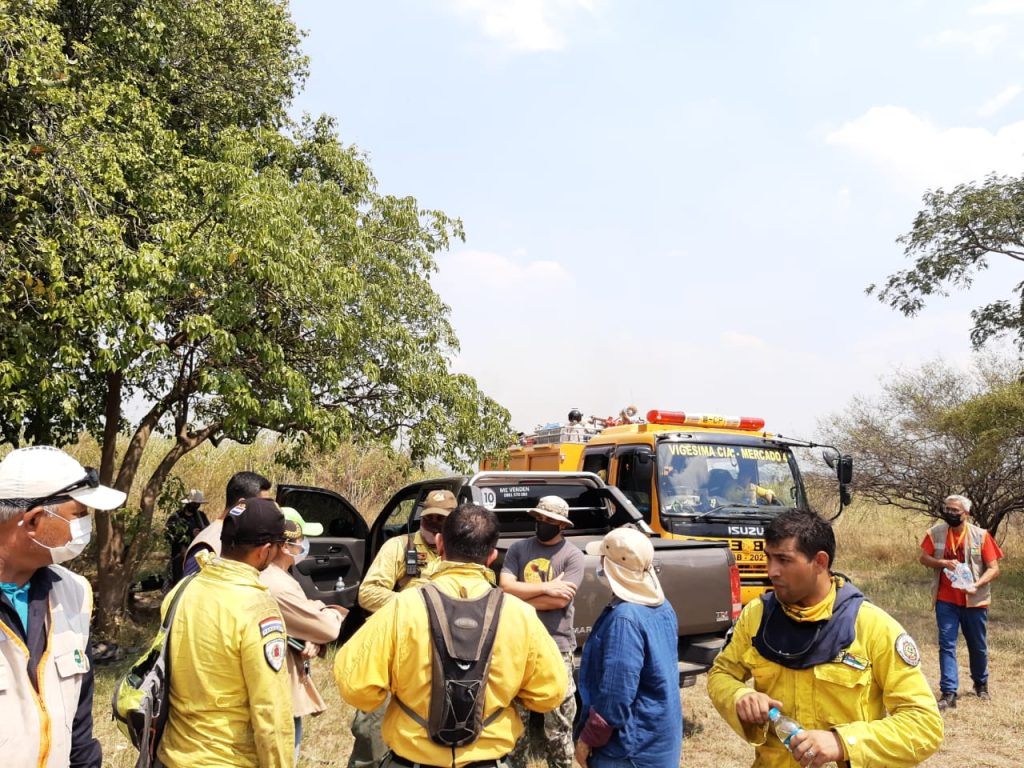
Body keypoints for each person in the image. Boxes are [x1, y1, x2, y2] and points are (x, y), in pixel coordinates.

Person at [335, 503, 567, 768]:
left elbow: (355, 687)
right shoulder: (520, 614)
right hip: (489, 761)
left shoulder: (402, 607)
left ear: (440, 544)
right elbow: (550, 693)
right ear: (492, 556)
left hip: (412, 760)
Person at [707, 509, 943, 768]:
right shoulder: (756, 616)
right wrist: (740, 695)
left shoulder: (872, 626)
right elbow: (721, 674)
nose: (771, 571)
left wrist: (843, 743)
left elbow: (924, 724)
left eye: (784, 560)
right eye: (769, 557)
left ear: (820, 561)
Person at [0, 446, 126, 768]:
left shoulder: (74, 593)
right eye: (79, 514)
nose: (86, 526)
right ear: (33, 520)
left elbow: (79, 729)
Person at [158, 497, 294, 768]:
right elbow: (271, 710)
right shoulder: (258, 610)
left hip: (172, 754)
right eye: (279, 546)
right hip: (226, 759)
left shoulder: (184, 589)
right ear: (264, 551)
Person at [346, 487, 458, 768]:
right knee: (370, 731)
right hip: (394, 647)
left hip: (438, 657)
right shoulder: (399, 546)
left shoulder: (460, 554)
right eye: (430, 517)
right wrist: (416, 604)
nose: (434, 523)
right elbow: (368, 594)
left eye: (442, 519)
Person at [574, 527, 681, 768]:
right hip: (659, 739)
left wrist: (588, 739)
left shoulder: (625, 619)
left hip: (629, 751)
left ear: (611, 567)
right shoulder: (663, 607)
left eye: (603, 559)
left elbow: (616, 695)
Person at [499, 495, 584, 768]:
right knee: (515, 721)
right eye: (540, 518)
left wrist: (520, 595)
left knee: (558, 722)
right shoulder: (518, 549)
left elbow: (560, 601)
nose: (543, 523)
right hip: (518, 645)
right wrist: (547, 587)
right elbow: (505, 587)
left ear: (562, 525)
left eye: (550, 520)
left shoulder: (572, 556)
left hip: (557, 646)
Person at [260, 508, 347, 764]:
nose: (304, 545)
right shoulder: (277, 584)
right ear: (286, 546)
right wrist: (328, 613)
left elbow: (304, 616)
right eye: (300, 540)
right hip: (281, 689)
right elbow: (328, 627)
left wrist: (310, 632)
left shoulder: (279, 577)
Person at [919, 494, 1003, 710]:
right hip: (946, 600)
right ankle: (949, 692)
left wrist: (977, 585)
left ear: (966, 513)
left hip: (974, 601)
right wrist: (942, 562)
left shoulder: (981, 536)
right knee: (946, 645)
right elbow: (923, 558)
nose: (950, 514)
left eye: (955, 511)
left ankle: (981, 683)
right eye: (947, 509)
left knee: (977, 646)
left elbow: (994, 568)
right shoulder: (936, 532)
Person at [182, 470, 272, 576]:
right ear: (241, 504)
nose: (265, 511)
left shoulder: (236, 536)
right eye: (262, 506)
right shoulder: (208, 544)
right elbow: (191, 584)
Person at [165, 488, 210, 585]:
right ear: (188, 503)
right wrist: (189, 535)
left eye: (198, 504)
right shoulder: (176, 517)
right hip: (179, 557)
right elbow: (169, 536)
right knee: (179, 582)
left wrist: (201, 534)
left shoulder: (201, 516)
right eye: (194, 503)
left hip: (198, 555)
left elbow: (208, 531)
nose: (196, 506)